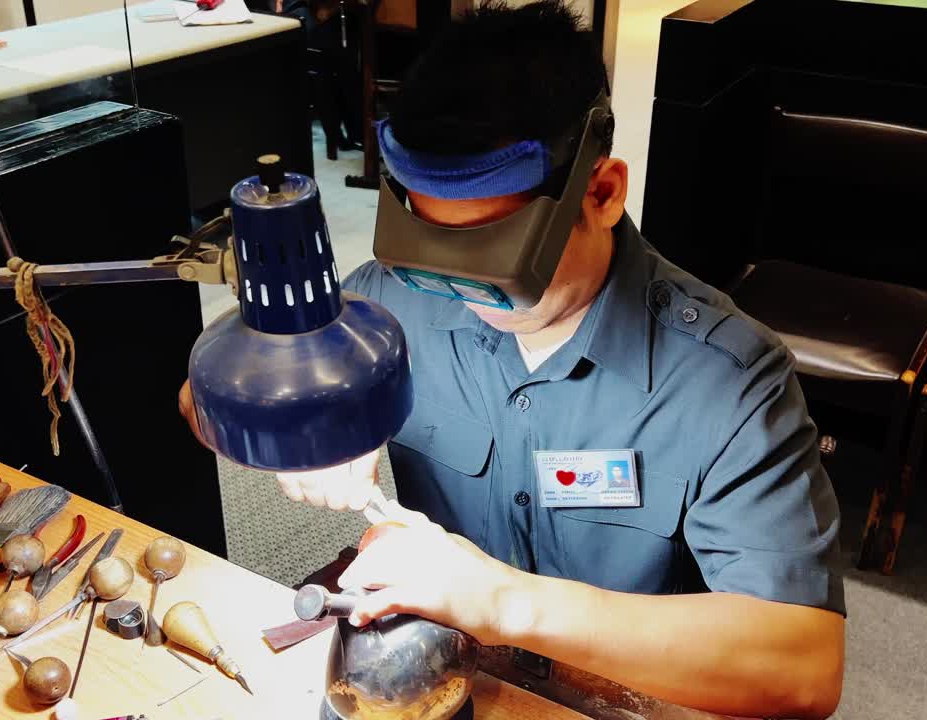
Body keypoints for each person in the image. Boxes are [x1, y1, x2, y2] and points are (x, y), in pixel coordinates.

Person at [181, 2, 845, 718]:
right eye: (433, 255)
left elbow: (802, 667)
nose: (456, 292)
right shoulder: (395, 303)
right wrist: (301, 439)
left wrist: (501, 602)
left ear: (602, 192)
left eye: (489, 261)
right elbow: (202, 401)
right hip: (443, 672)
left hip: (622, 691)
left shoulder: (728, 380)